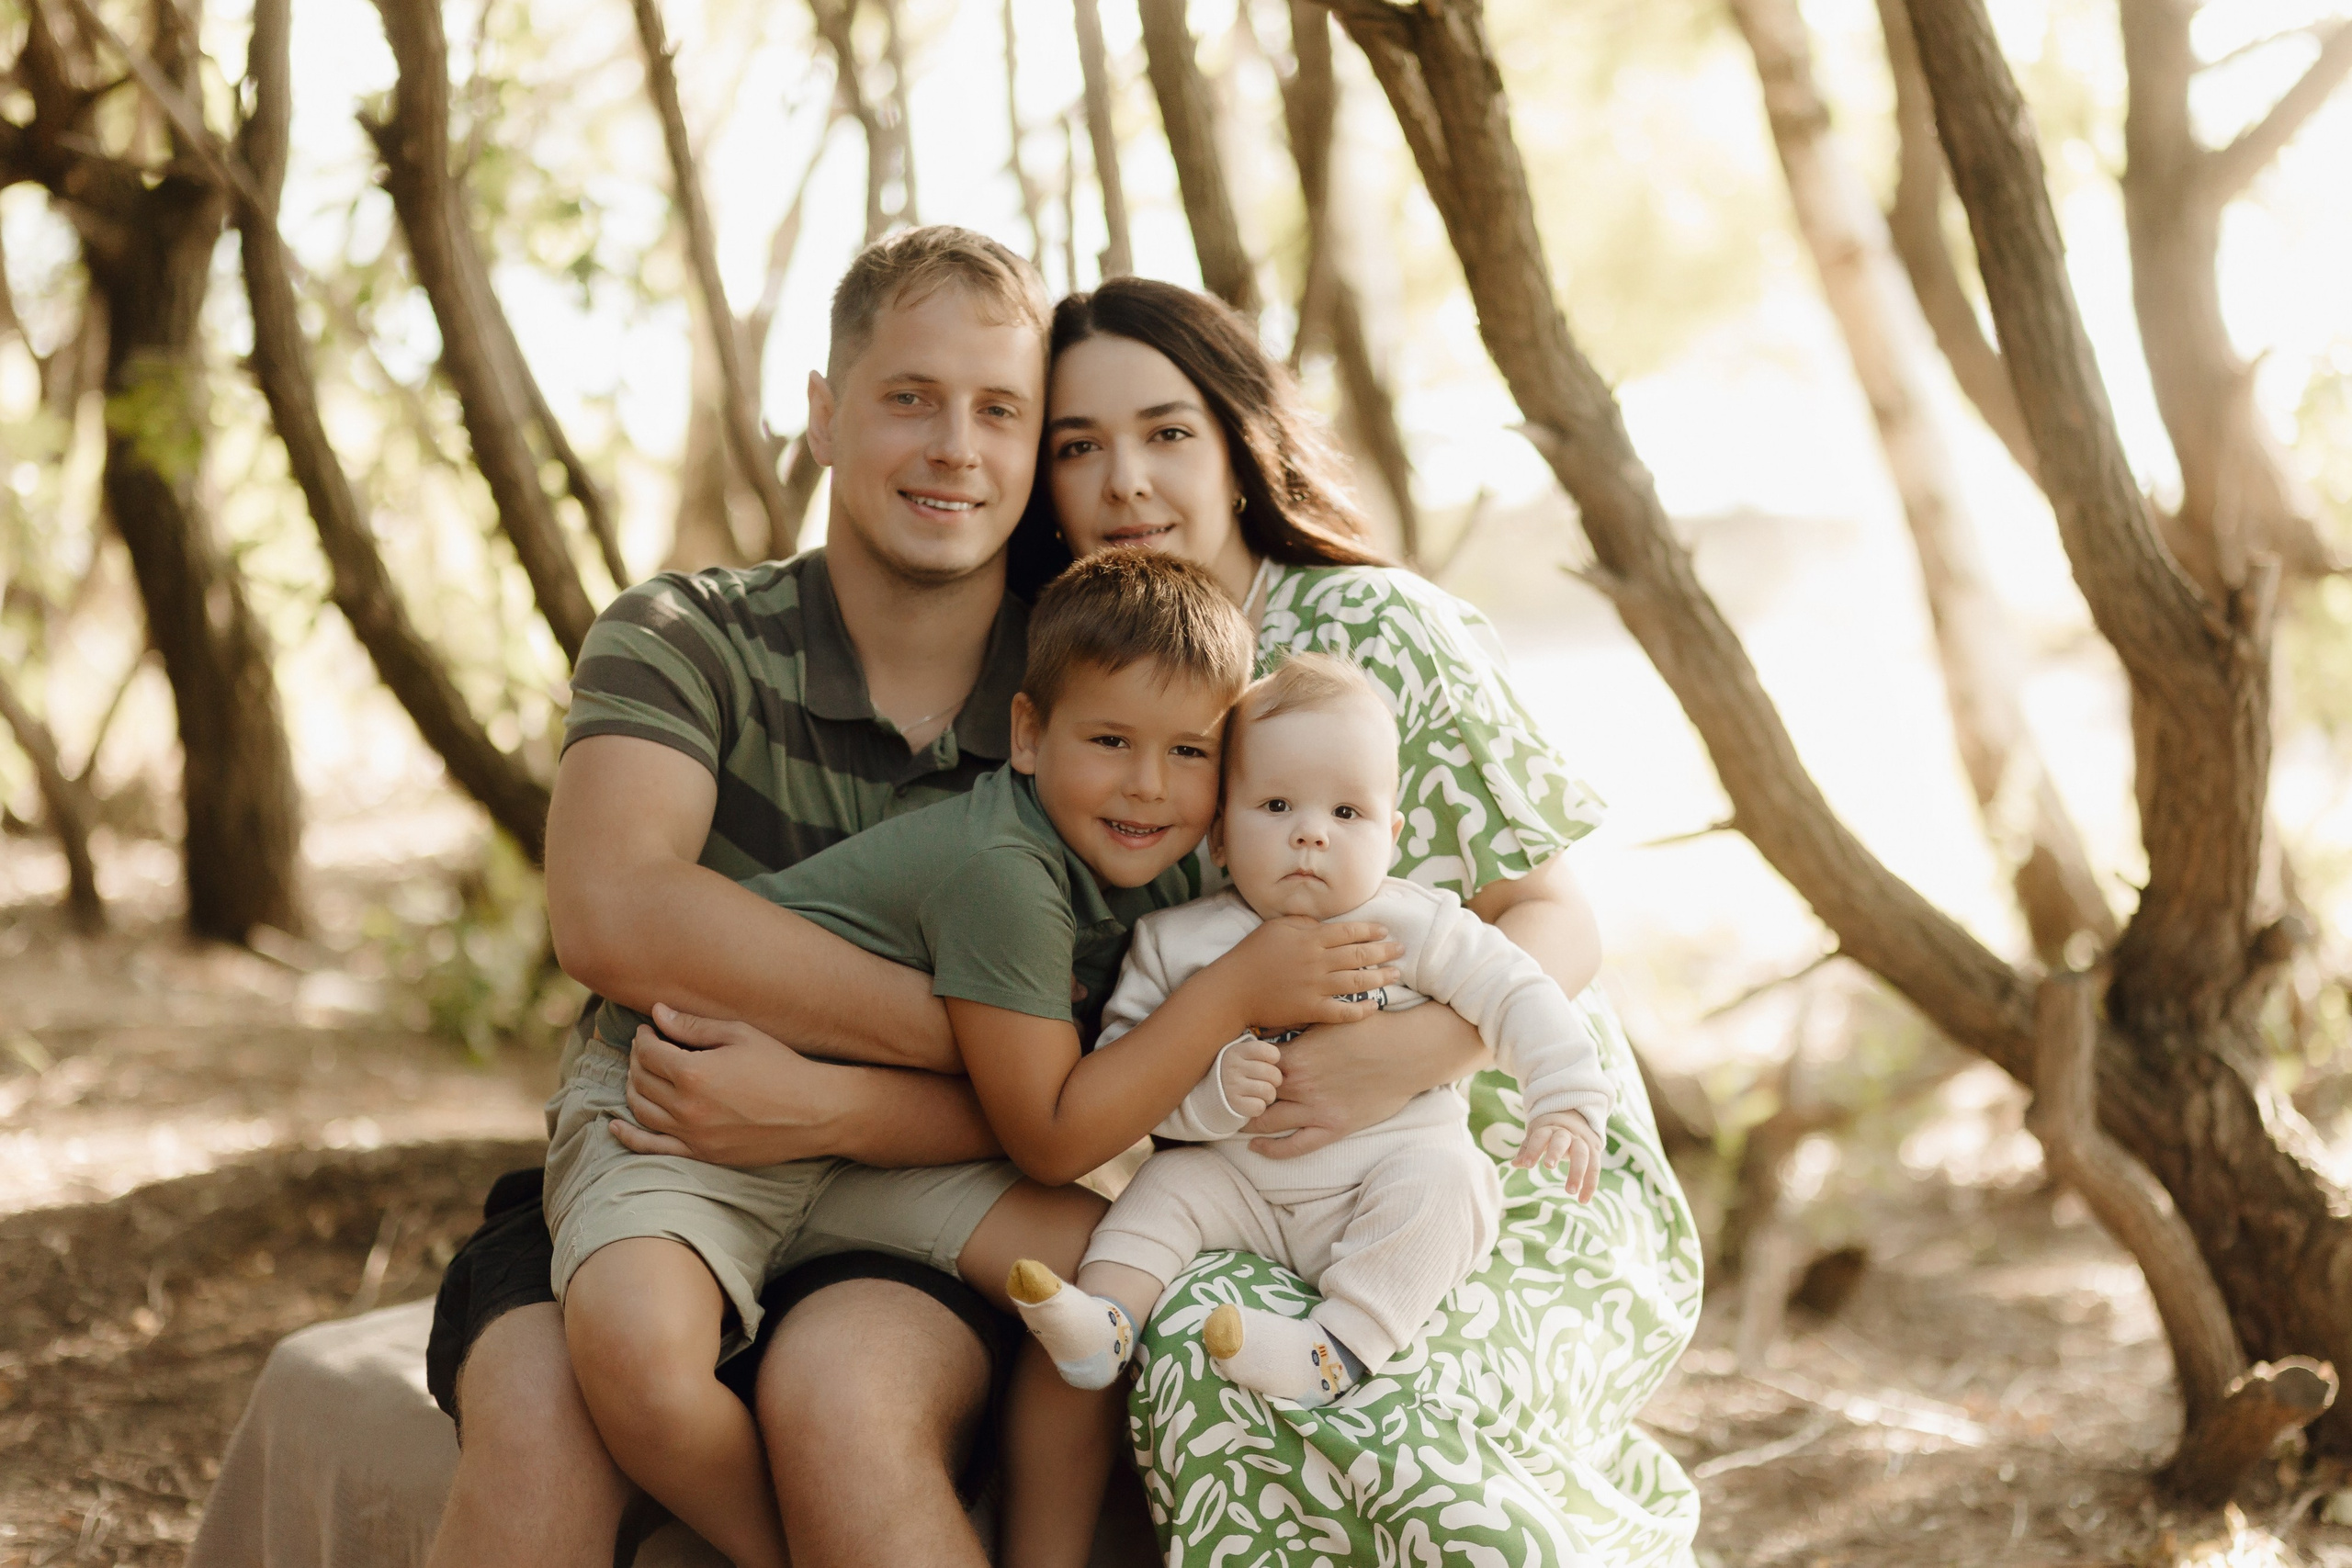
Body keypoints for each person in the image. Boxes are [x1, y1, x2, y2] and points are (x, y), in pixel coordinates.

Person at [1035, 276, 1706, 1563]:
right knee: (1200, 1354)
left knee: (1393, 1403)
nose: (1126, 478)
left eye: (1168, 430)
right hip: (1249, 1163)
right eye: (1080, 445)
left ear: (1237, 445)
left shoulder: (1385, 629)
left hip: (1494, 1154)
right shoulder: (1085, 676)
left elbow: (1552, 909)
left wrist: (1423, 1049)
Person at [551, 551, 1402, 1568]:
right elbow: (1049, 1137)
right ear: (1029, 735)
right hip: (689, 1097)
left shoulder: (1175, 878)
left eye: (1190, 752)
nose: (1147, 783)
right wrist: (1236, 992)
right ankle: (764, 1551)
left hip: (885, 1136)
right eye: (1109, 740)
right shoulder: (1004, 872)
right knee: (637, 1352)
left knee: (1103, 1283)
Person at [423, 225, 1064, 1568]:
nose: (956, 445)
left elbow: (1092, 1079)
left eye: (999, 409)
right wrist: (979, 1030)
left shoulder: (1085, 707)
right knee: (542, 1412)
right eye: (909, 397)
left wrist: (832, 1096)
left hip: (919, 1186)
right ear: (823, 414)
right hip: (668, 1142)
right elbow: (615, 915)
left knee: (845, 1400)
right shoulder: (684, 635)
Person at [1010, 649, 1611, 1428]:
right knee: (1162, 1193)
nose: (1311, 837)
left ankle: (1334, 1347)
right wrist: (1213, 1090)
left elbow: (1519, 991)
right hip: (1240, 1185)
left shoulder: (1417, 924)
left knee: (1453, 1185)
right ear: (1220, 833)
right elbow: (1130, 1078)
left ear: (1390, 835)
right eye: (1278, 805)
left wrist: (1565, 1096)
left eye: (1346, 814)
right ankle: (1107, 1320)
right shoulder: (1175, 942)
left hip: (1383, 1174)